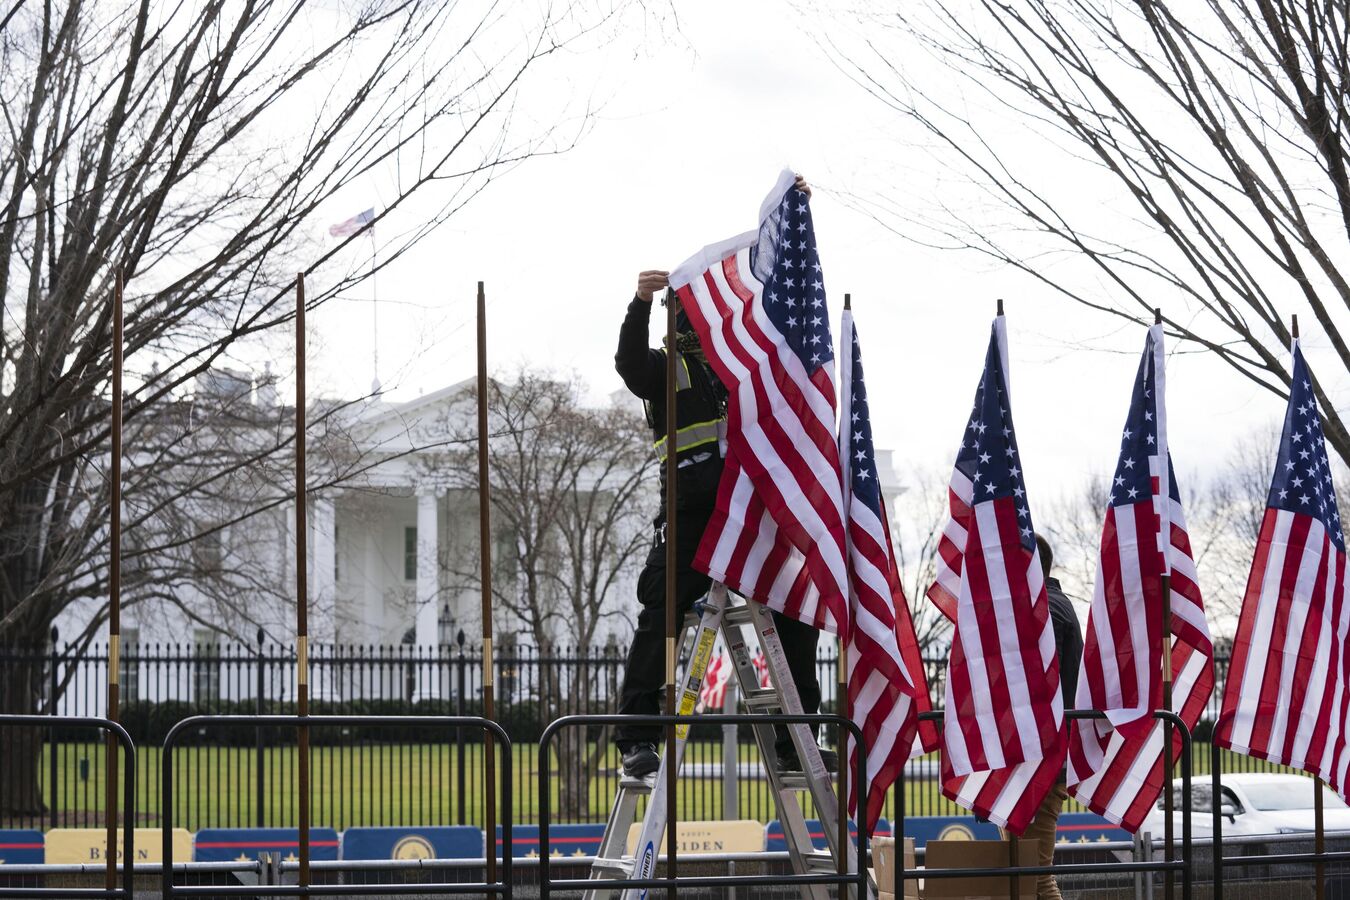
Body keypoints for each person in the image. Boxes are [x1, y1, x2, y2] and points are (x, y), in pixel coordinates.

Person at [613, 183, 832, 778]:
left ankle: (797, 739)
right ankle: (637, 738)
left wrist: (790, 223)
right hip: (689, 514)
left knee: (794, 613)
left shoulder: (735, 367)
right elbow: (628, 364)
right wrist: (637, 303)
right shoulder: (661, 370)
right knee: (661, 619)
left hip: (748, 511)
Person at [1026, 534, 1085, 900]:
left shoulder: (1046, 608)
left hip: (1042, 760)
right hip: (1044, 757)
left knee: (1035, 877)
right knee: (1028, 875)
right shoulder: (1055, 605)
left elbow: (1040, 686)